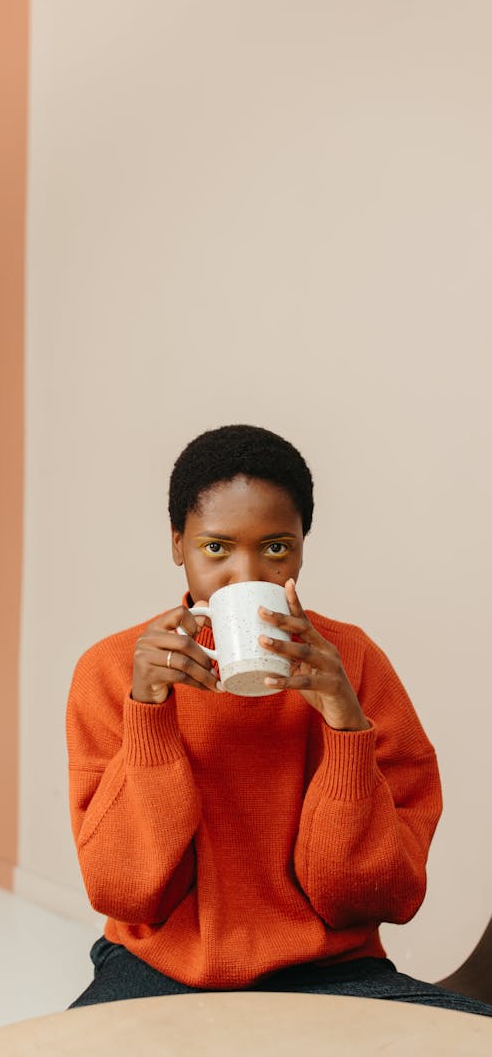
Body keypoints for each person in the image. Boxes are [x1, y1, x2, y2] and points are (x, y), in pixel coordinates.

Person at [66, 423, 492, 1016]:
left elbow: (375, 896)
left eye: (275, 548)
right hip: (158, 967)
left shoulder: (354, 661)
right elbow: (125, 889)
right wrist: (149, 718)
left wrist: (345, 724)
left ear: (300, 547)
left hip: (331, 970)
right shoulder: (112, 670)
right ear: (176, 544)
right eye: (216, 547)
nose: (247, 577)